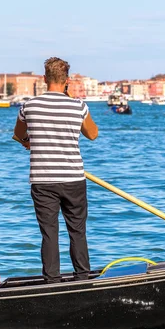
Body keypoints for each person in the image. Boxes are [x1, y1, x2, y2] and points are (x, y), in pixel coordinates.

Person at [13, 57, 99, 284]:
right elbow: (93, 134)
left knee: (49, 233)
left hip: (42, 180)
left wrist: (29, 142)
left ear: (44, 79)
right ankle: (82, 279)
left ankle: (52, 281)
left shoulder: (28, 106)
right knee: (77, 231)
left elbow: (19, 135)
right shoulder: (78, 106)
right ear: (67, 81)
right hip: (73, 178)